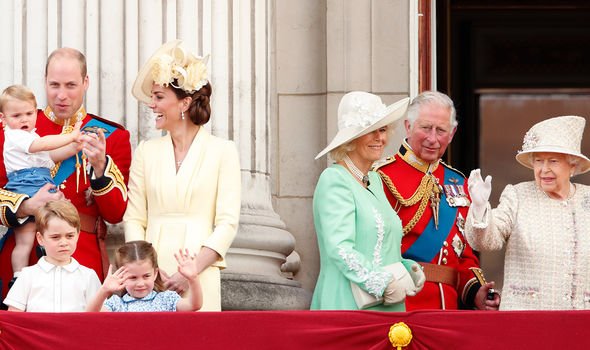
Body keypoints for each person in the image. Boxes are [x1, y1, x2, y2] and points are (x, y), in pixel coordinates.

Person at [0, 47, 132, 300]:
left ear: (86, 82)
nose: (62, 95)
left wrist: (101, 168)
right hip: (25, 258)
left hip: (82, 261)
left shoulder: (112, 136)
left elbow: (115, 214)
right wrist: (25, 206)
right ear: (45, 82)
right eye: (54, 85)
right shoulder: (13, 128)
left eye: (71, 85)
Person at [124, 40, 241, 311]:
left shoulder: (223, 151)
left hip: (200, 274)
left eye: (158, 97)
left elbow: (227, 224)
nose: (151, 105)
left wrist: (191, 272)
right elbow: (134, 217)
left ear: (185, 103)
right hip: (151, 278)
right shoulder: (145, 151)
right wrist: (143, 270)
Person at [376, 90, 500, 310]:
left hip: (448, 309)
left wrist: (476, 292)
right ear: (408, 126)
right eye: (425, 128)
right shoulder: (382, 176)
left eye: (441, 130)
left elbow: (465, 255)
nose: (433, 138)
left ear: (452, 134)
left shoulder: (460, 183)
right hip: (400, 304)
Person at [311, 91, 425, 311]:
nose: (379, 138)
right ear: (351, 138)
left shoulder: (375, 180)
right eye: (370, 131)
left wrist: (407, 267)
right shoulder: (334, 179)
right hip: (347, 305)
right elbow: (340, 249)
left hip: (388, 306)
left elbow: (381, 248)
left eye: (382, 130)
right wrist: (382, 283)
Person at [466, 115, 590, 310]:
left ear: (572, 166)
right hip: (528, 320)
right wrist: (480, 208)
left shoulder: (587, 199)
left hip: (582, 322)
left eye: (553, 161)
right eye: (538, 161)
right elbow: (486, 241)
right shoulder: (518, 195)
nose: (544, 169)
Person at [0, 85, 83, 285]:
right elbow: (43, 145)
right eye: (17, 115)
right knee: (25, 241)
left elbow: (50, 157)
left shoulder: (31, 136)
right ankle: (18, 278)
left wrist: (74, 147)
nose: (24, 119)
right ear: (3, 119)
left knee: (50, 232)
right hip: (25, 186)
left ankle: (50, 267)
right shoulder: (16, 136)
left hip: (41, 180)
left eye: (29, 113)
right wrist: (71, 136)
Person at [4, 200, 101, 311]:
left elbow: (98, 317)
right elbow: (14, 316)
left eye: (69, 236)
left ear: (78, 235)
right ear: (40, 238)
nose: (63, 243)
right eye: (55, 237)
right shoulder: (27, 275)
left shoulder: (88, 276)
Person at [86, 240, 202, 312]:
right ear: (121, 276)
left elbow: (194, 305)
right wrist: (104, 291)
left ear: (155, 273)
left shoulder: (166, 299)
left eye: (146, 276)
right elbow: (90, 315)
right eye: (133, 278)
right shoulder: (117, 304)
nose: (140, 283)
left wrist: (193, 279)